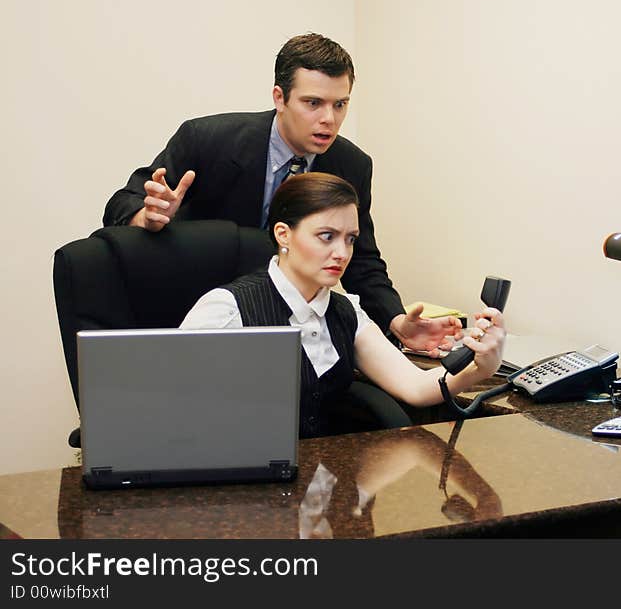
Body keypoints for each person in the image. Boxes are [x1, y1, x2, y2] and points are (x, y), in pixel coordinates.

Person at [103, 32, 456, 354]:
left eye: (340, 104)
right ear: (279, 98)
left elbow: (362, 262)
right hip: (209, 322)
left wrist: (397, 321)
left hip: (296, 332)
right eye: (313, 103)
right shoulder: (207, 140)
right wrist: (147, 215)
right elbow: (122, 203)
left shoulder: (352, 164)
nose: (329, 119)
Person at [180, 172, 506, 440]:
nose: (342, 252)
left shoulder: (345, 311)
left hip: (327, 486)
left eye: (350, 239)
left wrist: (481, 368)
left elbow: (415, 386)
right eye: (327, 236)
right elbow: (176, 413)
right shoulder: (227, 309)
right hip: (249, 487)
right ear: (284, 235)